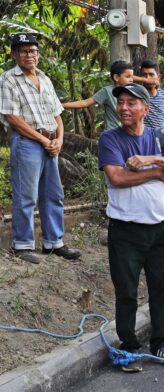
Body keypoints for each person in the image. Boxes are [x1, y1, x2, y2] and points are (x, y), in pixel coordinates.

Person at [98, 83, 164, 371]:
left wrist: (151, 159)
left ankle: (161, 343)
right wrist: (157, 173)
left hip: (161, 228)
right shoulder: (110, 138)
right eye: (121, 103)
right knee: (126, 291)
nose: (124, 108)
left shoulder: (158, 136)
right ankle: (129, 347)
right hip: (125, 230)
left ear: (145, 109)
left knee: (160, 289)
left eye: (131, 102)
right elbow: (117, 177)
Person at [1, 33, 79, 264]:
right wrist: (44, 140)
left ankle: (54, 242)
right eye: (23, 51)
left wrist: (59, 140)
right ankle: (22, 244)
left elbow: (57, 114)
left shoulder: (44, 78)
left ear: (38, 54)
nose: (29, 55)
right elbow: (12, 118)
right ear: (14, 55)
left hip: (51, 143)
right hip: (27, 143)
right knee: (26, 196)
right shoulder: (8, 79)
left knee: (53, 194)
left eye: (33, 51)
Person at [63, 60, 133, 132]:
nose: (131, 80)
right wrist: (62, 105)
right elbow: (85, 103)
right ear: (116, 77)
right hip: (112, 133)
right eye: (128, 77)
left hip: (129, 132)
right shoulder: (107, 91)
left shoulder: (134, 92)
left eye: (132, 77)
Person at [138, 59, 164, 136]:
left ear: (158, 77)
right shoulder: (138, 94)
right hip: (143, 136)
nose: (148, 78)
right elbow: (126, 78)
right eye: (144, 75)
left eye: (151, 74)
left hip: (160, 136)